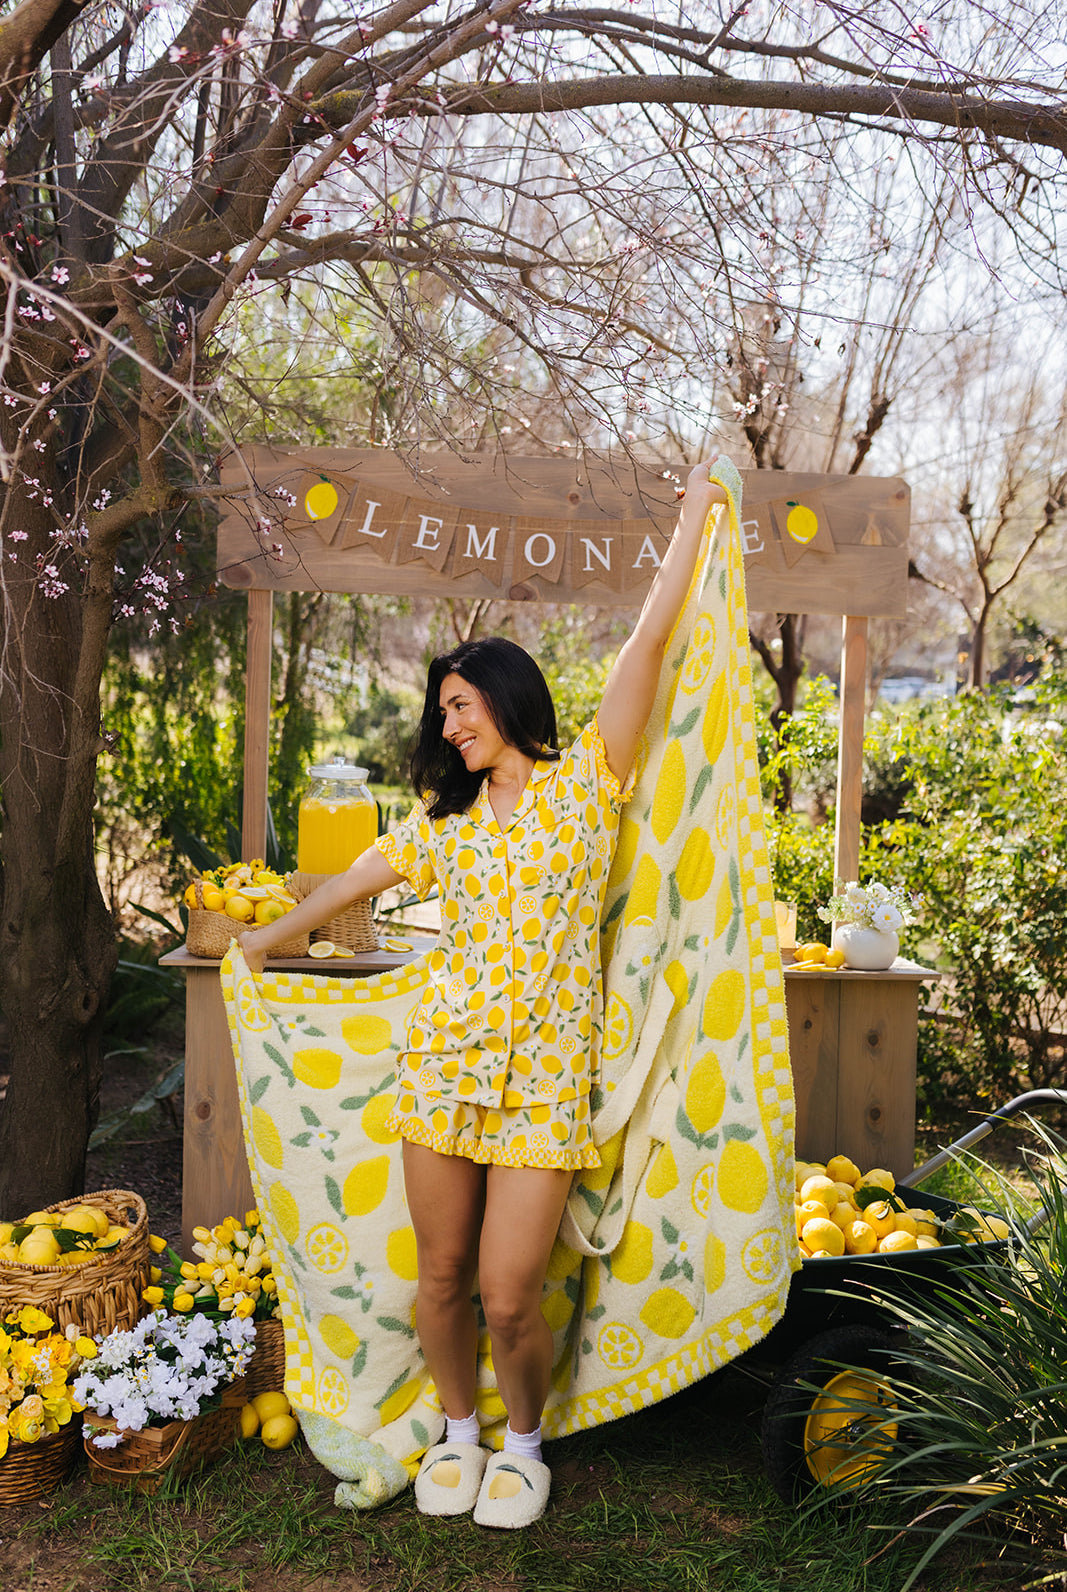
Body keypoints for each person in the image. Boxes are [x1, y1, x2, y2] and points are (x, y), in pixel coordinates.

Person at [239, 460, 726, 1527]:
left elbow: (647, 642)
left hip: (545, 1078)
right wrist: (265, 940)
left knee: (511, 1292)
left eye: (461, 706)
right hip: (443, 1062)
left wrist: (692, 515)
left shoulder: (587, 782)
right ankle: (456, 1432)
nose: (451, 726)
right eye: (443, 713)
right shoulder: (442, 824)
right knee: (443, 1277)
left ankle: (522, 1440)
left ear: (506, 696)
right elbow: (358, 875)